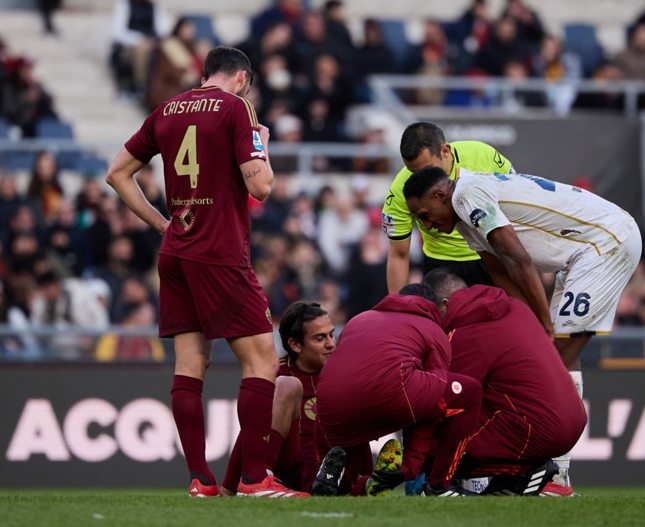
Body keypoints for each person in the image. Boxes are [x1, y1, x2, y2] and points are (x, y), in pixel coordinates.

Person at [105, 45, 307, 498]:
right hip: (218, 252)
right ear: (241, 78)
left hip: (176, 252)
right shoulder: (238, 108)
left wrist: (163, 224)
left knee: (189, 364)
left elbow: (117, 173)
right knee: (260, 359)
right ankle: (256, 479)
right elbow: (262, 186)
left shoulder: (168, 109)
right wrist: (264, 144)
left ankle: (201, 479)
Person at [404, 166, 641, 496]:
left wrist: (542, 326)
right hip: (579, 254)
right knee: (549, 351)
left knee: (559, 351)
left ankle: (557, 476)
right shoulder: (465, 221)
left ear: (441, 195)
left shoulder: (466, 196)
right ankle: (538, 472)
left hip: (605, 242)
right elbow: (501, 272)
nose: (426, 225)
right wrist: (527, 324)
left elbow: (520, 260)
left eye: (426, 215)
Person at [422, 270, 587, 496]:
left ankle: (525, 471)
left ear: (445, 303)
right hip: (570, 418)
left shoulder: (465, 331)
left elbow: (444, 401)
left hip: (537, 427)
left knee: (426, 448)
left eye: (432, 315)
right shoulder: (514, 306)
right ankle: (517, 477)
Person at [312, 284, 483, 497]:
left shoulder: (359, 319)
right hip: (393, 393)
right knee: (471, 392)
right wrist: (410, 468)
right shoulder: (432, 329)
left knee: (342, 486)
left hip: (329, 404)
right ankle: (439, 485)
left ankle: (345, 484)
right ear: (434, 307)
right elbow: (431, 396)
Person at [382, 121, 515, 293]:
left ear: (445, 151)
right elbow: (398, 255)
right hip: (440, 265)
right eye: (413, 172)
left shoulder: (483, 156)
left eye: (427, 168)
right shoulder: (400, 190)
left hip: (492, 258)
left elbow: (515, 204)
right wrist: (398, 310)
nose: (422, 178)